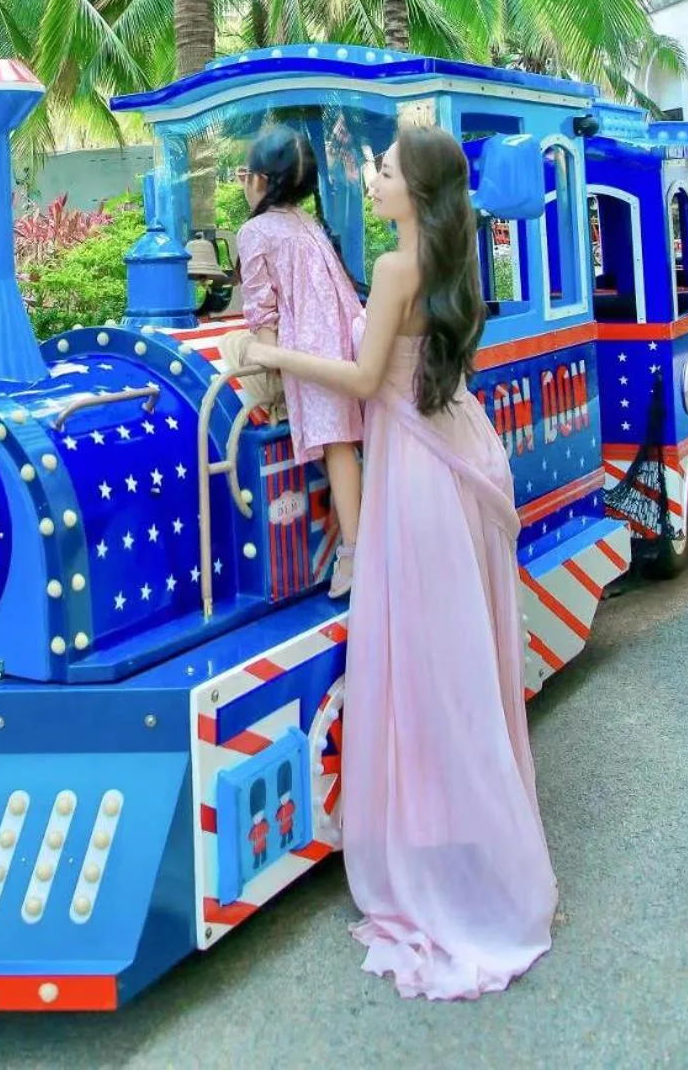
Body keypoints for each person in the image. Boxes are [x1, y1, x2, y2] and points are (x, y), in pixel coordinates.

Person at [246, 124, 556, 1001]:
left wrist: (268, 351)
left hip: (417, 472)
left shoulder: (393, 269)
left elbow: (358, 377)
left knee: (419, 659)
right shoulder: (454, 261)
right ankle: (480, 845)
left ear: (412, 191)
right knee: (463, 661)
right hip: (462, 448)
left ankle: (433, 856)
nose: (370, 178)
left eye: (382, 169)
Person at [235, 125, 364, 596]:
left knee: (336, 443)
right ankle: (358, 545)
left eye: (244, 174)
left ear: (262, 182)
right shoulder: (307, 224)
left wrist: (266, 362)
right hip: (339, 333)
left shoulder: (256, 231)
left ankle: (354, 553)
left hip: (311, 344)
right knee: (345, 443)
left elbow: (260, 304)